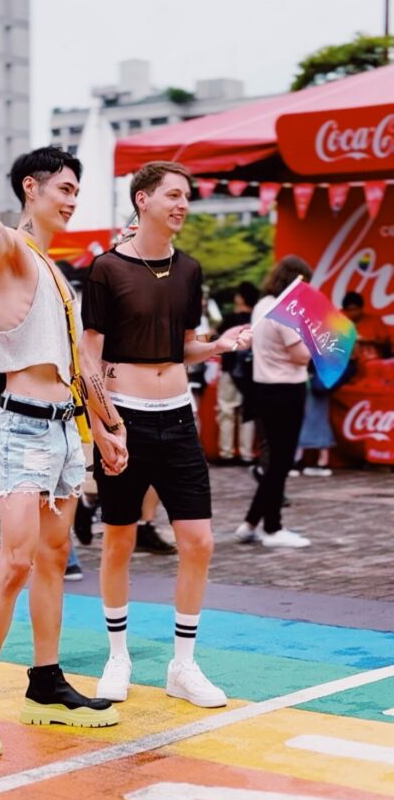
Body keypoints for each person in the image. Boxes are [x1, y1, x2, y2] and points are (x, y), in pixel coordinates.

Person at [0, 95, 126, 756]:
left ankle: (46, 682)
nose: (73, 200)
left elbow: (78, 363)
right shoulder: (13, 253)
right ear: (32, 187)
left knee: (53, 558)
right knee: (14, 563)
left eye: (77, 191)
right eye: (65, 189)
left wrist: (104, 427)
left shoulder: (55, 272)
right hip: (21, 429)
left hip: (64, 433)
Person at [81, 160, 251, 707]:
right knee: (119, 540)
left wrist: (219, 345)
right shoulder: (106, 269)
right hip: (123, 418)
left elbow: (183, 347)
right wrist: (106, 426)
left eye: (187, 197)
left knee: (199, 541)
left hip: (178, 417)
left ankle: (182, 666)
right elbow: (89, 358)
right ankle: (118, 657)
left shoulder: (190, 269)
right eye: (173, 195)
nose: (182, 204)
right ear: (142, 200)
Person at [235, 255, 312, 549]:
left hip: (263, 389)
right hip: (286, 390)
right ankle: (272, 526)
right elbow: (301, 355)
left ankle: (250, 523)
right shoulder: (287, 312)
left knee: (274, 460)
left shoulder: (262, 306)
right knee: (281, 461)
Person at [215, 280, 259, 465]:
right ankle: (247, 453)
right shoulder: (258, 320)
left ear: (240, 298)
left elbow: (216, 338)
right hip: (252, 373)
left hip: (230, 371)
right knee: (246, 413)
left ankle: (227, 453)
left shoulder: (231, 320)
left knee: (227, 411)